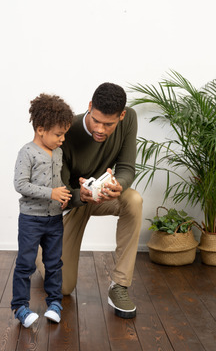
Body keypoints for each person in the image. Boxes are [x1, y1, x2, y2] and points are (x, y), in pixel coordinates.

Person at [37, 82, 143, 319]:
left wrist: (119, 186)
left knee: (133, 199)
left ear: (122, 115)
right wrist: (80, 195)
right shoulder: (65, 130)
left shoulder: (129, 119)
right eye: (96, 120)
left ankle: (120, 286)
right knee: (64, 288)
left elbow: (126, 168)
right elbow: (58, 192)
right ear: (89, 107)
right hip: (72, 202)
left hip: (104, 195)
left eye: (109, 124)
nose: (101, 130)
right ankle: (41, 254)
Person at [11, 93, 74, 328]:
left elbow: (57, 181)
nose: (62, 139)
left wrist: (63, 195)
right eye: (58, 134)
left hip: (54, 219)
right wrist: (51, 194)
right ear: (40, 129)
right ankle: (20, 307)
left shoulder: (57, 152)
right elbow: (20, 184)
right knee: (26, 264)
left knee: (54, 263)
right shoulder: (26, 153)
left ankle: (55, 304)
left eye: (64, 134)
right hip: (31, 219)